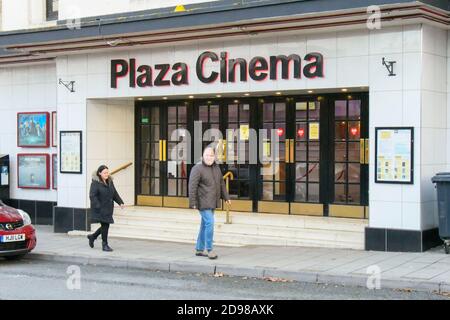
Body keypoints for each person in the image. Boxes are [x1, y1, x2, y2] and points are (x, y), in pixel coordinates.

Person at [189, 146, 231, 259]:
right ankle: (209, 249)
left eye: (211, 155)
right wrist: (192, 202)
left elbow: (221, 184)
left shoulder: (216, 168)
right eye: (207, 155)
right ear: (203, 156)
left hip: (212, 201)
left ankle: (199, 249)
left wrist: (226, 197)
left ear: (214, 157)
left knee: (205, 225)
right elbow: (192, 187)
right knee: (210, 223)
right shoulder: (197, 168)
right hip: (202, 202)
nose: (209, 157)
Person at [87, 165, 124, 252]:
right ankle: (104, 244)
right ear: (100, 173)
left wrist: (120, 202)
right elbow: (92, 196)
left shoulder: (110, 181)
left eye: (107, 172)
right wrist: (98, 205)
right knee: (105, 225)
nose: (107, 174)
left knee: (105, 225)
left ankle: (92, 237)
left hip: (108, 207)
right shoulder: (95, 183)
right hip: (100, 208)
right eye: (105, 173)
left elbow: (114, 193)